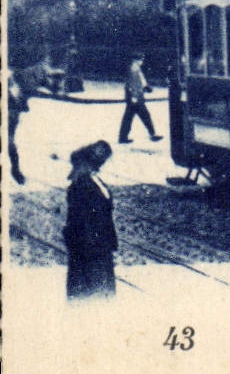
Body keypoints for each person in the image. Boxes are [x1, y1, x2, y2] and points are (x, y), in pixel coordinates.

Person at [64, 140, 117, 300]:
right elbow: (78, 223)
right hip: (90, 251)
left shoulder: (94, 182)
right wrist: (92, 247)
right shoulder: (81, 186)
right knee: (93, 295)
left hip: (99, 248)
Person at [117, 55, 163, 145]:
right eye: (141, 59)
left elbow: (139, 82)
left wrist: (146, 87)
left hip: (134, 97)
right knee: (145, 116)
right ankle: (152, 134)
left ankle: (123, 137)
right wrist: (134, 96)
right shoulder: (134, 68)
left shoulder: (135, 67)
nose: (142, 61)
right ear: (136, 59)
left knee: (129, 117)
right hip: (136, 98)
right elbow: (134, 84)